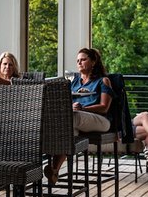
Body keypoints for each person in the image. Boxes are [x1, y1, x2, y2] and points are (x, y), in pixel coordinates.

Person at [47, 47, 113, 182]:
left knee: (73, 118)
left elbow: (104, 107)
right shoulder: (74, 82)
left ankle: (53, 162)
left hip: (101, 120)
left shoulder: (103, 81)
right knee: (70, 130)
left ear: (93, 62)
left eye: (83, 59)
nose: (79, 63)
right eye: (78, 61)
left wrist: (84, 108)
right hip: (78, 119)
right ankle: (54, 171)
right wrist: (71, 106)